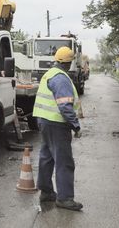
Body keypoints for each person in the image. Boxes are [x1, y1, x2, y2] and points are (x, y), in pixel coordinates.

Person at [33, 46, 83, 211]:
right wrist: (75, 126)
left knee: (46, 157)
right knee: (64, 161)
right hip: (56, 124)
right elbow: (65, 106)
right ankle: (65, 198)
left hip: (44, 121)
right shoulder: (61, 78)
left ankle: (46, 192)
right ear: (69, 63)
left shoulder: (50, 73)